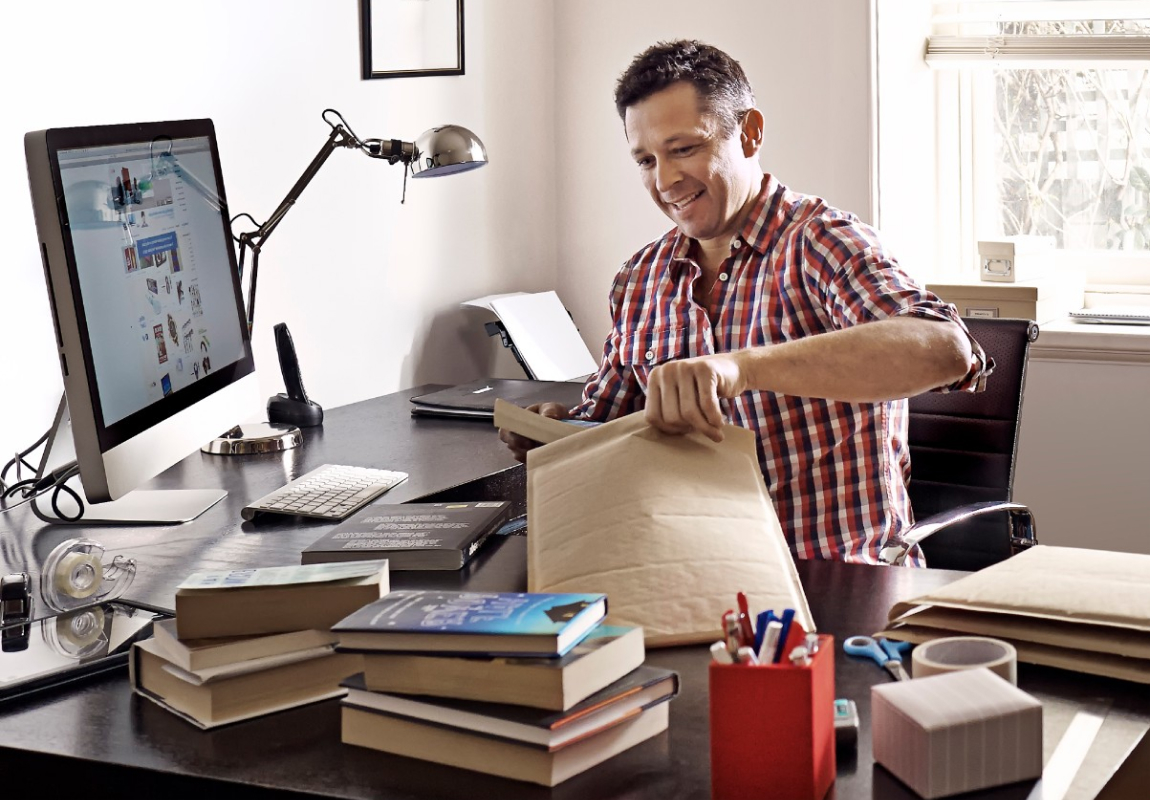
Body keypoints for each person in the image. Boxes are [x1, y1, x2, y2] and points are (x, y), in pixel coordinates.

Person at [499, 40, 991, 566]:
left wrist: (740, 367)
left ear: (750, 132)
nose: (665, 181)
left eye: (684, 149)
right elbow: (607, 426)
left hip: (834, 578)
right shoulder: (640, 279)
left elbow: (945, 349)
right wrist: (556, 434)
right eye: (646, 160)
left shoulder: (823, 242)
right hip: (690, 577)